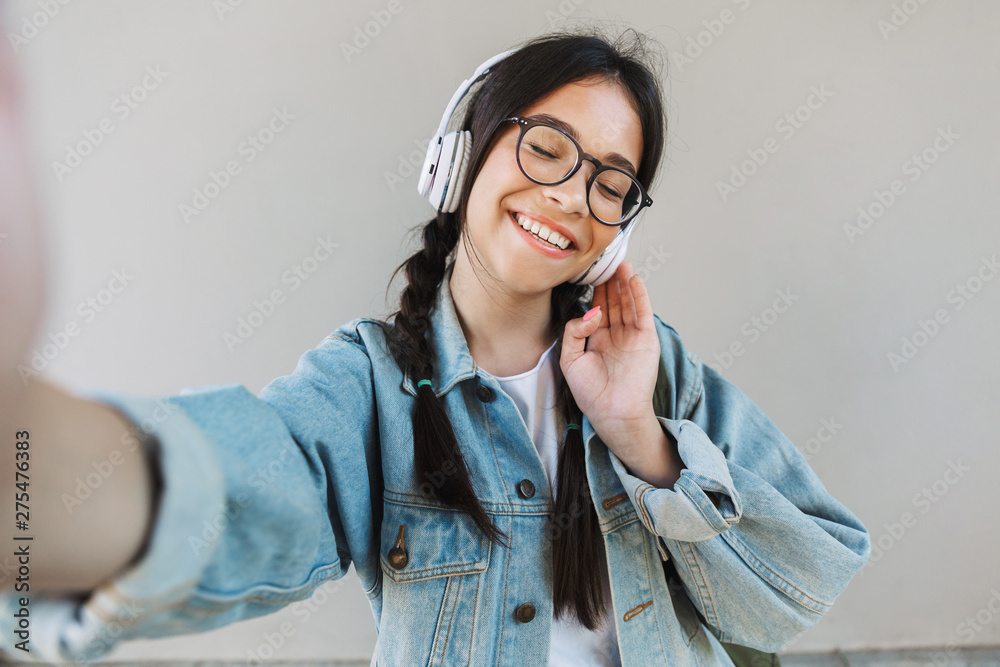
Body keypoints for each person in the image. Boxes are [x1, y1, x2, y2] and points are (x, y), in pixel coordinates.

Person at [0, 24, 871, 666]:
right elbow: (251, 485)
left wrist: (641, 439)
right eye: (549, 148)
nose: (573, 196)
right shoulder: (372, 382)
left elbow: (799, 586)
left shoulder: (660, 371)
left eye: (612, 181)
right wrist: (38, 470)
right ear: (459, 160)